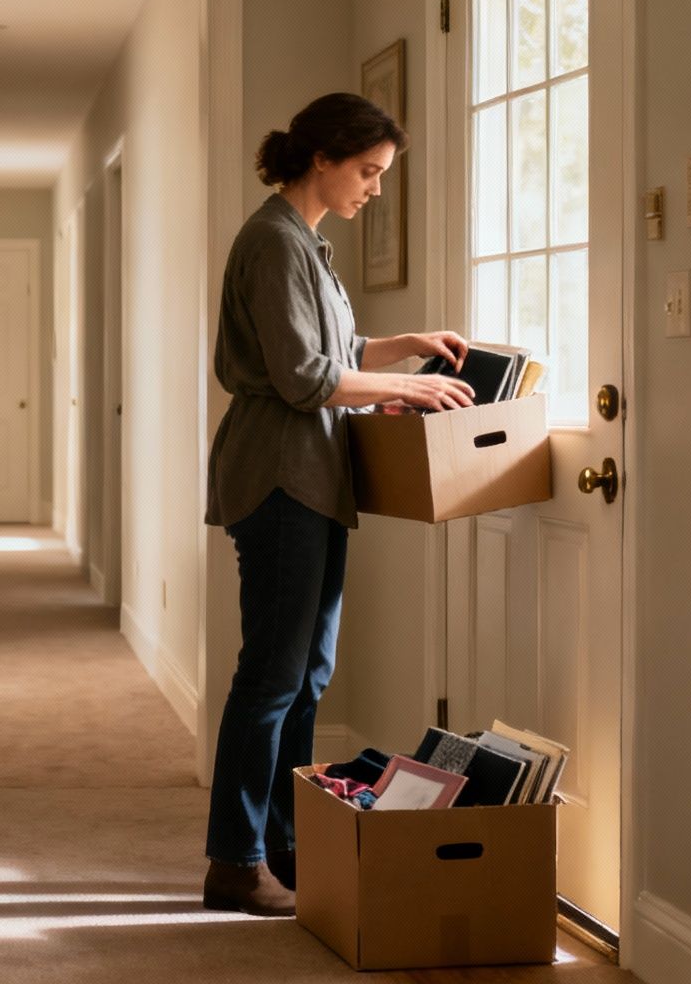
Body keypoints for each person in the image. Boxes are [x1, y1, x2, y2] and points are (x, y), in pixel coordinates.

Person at [201, 92, 478, 917]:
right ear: (322, 158)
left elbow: (333, 352)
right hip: (281, 478)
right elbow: (304, 377)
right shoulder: (273, 242)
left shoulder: (303, 243)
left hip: (311, 477)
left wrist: (402, 346)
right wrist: (410, 387)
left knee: (306, 675)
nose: (375, 190)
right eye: (369, 171)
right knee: (274, 676)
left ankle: (287, 847)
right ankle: (235, 861)